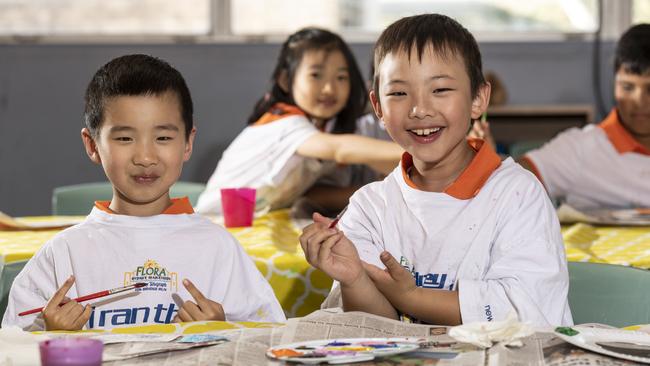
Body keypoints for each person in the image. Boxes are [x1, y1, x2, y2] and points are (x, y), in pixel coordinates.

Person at [300, 14, 572, 327]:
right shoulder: (370, 207)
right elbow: (379, 328)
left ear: (478, 99)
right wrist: (354, 280)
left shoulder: (518, 194)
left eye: (440, 89)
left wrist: (411, 297)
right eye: (399, 93)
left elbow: (523, 311)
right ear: (377, 107)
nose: (420, 109)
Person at [2, 54, 285, 331]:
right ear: (92, 145)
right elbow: (14, 342)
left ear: (187, 142)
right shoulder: (63, 252)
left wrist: (224, 329)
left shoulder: (219, 247)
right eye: (125, 138)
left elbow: (268, 334)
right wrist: (51, 334)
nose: (146, 157)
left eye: (163, 138)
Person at [195, 27, 402, 216]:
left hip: (258, 221)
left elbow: (316, 191)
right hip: (215, 221)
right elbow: (340, 148)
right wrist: (423, 155)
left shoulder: (326, 127)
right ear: (286, 80)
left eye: (341, 78)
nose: (329, 88)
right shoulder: (283, 122)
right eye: (316, 75)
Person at [472, 24, 650, 210]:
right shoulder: (582, 149)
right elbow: (516, 181)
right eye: (627, 87)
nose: (639, 101)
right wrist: (490, 164)